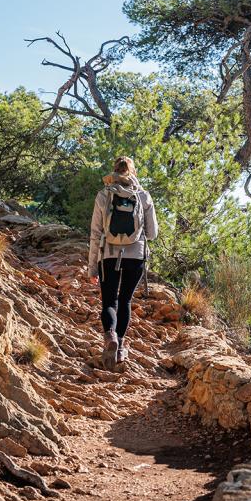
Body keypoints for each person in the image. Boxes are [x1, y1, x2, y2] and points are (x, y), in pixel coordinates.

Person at [88, 156, 158, 370]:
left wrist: (92, 268)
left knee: (109, 301)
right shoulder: (143, 196)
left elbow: (95, 233)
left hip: (108, 255)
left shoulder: (104, 195)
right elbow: (152, 234)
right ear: (133, 172)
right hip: (135, 256)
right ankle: (119, 349)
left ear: (114, 171)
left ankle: (110, 336)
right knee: (125, 300)